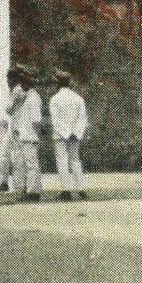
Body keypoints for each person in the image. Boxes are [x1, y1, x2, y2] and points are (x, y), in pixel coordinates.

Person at [49, 71, 88, 201]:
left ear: (58, 83)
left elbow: (55, 120)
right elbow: (82, 118)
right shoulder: (78, 98)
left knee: (62, 160)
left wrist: (66, 133)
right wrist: (75, 132)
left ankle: (66, 190)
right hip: (74, 135)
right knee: (75, 159)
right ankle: (81, 189)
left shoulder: (55, 99)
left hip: (61, 135)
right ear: (69, 83)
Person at [11, 71, 45, 200]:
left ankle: (33, 192)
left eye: (23, 83)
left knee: (31, 165)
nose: (21, 86)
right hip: (26, 136)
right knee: (28, 164)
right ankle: (30, 190)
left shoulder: (34, 98)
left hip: (30, 137)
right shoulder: (29, 97)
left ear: (27, 84)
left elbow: (36, 120)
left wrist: (39, 135)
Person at [0, 68, 22, 192]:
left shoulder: (18, 91)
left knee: (15, 156)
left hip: (16, 128)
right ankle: (3, 183)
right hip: (10, 127)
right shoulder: (12, 91)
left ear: (14, 79)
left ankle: (17, 184)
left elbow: (8, 109)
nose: (7, 81)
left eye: (9, 79)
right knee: (4, 155)